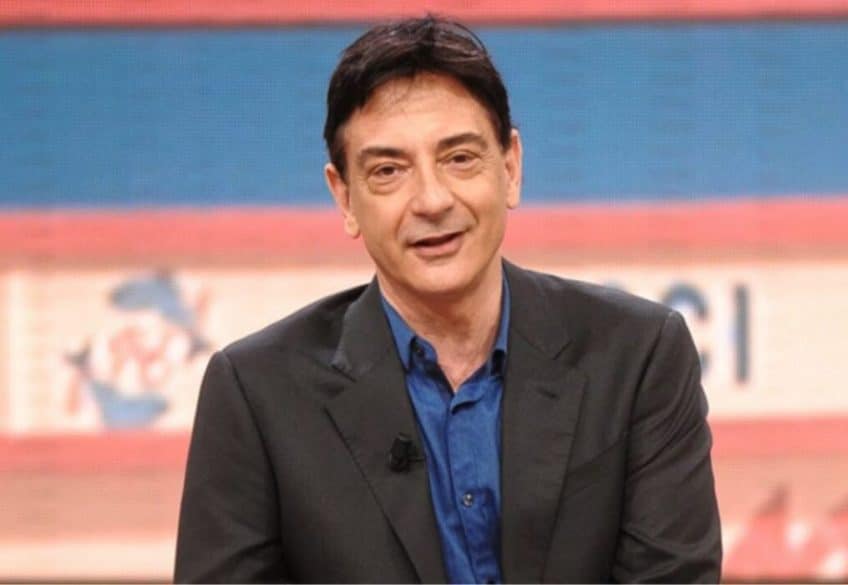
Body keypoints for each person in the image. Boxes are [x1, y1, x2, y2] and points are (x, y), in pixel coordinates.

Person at [174, 16, 721, 584]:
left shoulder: (637, 356)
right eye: (389, 170)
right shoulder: (258, 394)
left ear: (510, 168)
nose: (432, 200)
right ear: (345, 198)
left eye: (459, 158)